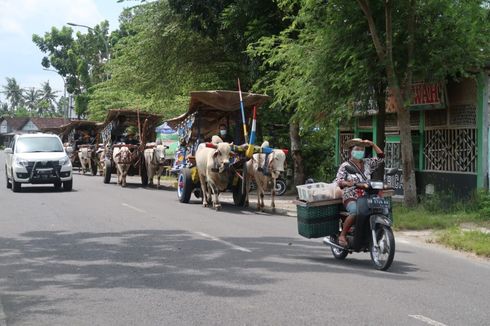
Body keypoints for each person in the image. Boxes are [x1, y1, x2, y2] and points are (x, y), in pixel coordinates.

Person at [335, 138, 385, 247]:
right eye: (357, 149)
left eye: (362, 149)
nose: (360, 151)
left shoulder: (367, 163)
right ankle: (342, 235)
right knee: (355, 212)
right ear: (351, 151)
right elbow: (339, 181)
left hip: (367, 195)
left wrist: (372, 144)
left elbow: (381, 157)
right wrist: (347, 183)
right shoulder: (345, 165)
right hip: (351, 195)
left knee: (380, 209)